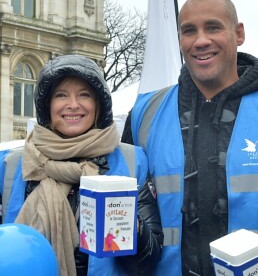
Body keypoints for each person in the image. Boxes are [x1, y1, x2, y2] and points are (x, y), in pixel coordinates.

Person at [121, 0, 258, 276]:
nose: (201, 40)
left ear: (238, 33)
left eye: (213, 27)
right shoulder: (145, 114)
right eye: (189, 31)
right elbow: (124, 202)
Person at [10, 55, 163, 276]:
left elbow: (149, 263)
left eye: (84, 95)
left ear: (98, 104)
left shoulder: (132, 160)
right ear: (47, 105)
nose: (73, 105)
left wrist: (129, 225)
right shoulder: (13, 164)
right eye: (61, 95)